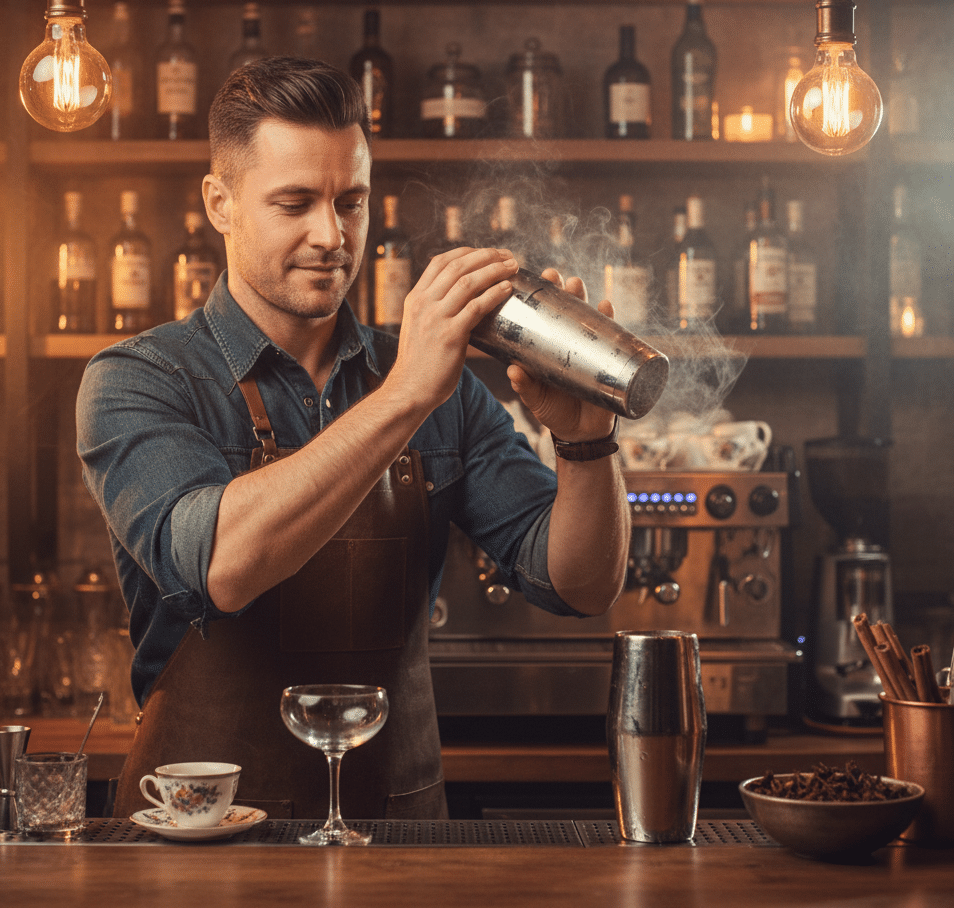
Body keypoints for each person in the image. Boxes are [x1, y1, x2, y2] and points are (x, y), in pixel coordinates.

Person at [77, 56, 630, 821]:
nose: (331, 234)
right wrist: (405, 393)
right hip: (201, 853)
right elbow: (223, 566)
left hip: (397, 841)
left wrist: (586, 445)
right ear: (221, 202)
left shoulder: (442, 387)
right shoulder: (141, 380)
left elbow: (581, 586)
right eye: (295, 202)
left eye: (352, 201)